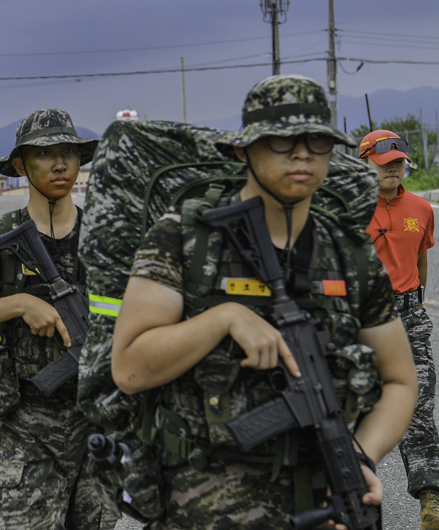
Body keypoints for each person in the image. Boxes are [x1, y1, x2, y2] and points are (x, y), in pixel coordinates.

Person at [110, 75, 418, 529]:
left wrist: (360, 457)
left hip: (323, 504)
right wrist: (224, 318)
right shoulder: (185, 238)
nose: (301, 153)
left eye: (317, 140)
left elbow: (400, 381)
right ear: (242, 151)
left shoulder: (349, 254)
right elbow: (130, 369)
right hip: (204, 511)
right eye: (280, 140)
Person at [0, 109, 120, 530]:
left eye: (69, 153)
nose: (59, 164)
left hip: (101, 419)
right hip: (29, 424)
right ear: (20, 165)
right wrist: (19, 304)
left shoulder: (106, 236)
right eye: (45, 154)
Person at [361, 128, 439, 528]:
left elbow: (422, 257)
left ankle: (431, 498)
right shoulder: (351, 209)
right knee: (356, 409)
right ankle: (358, 505)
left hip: (409, 316)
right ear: (365, 165)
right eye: (383, 164)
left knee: (420, 401)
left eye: (397, 164)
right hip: (362, 320)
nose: (392, 170)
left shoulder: (421, 209)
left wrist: (419, 301)